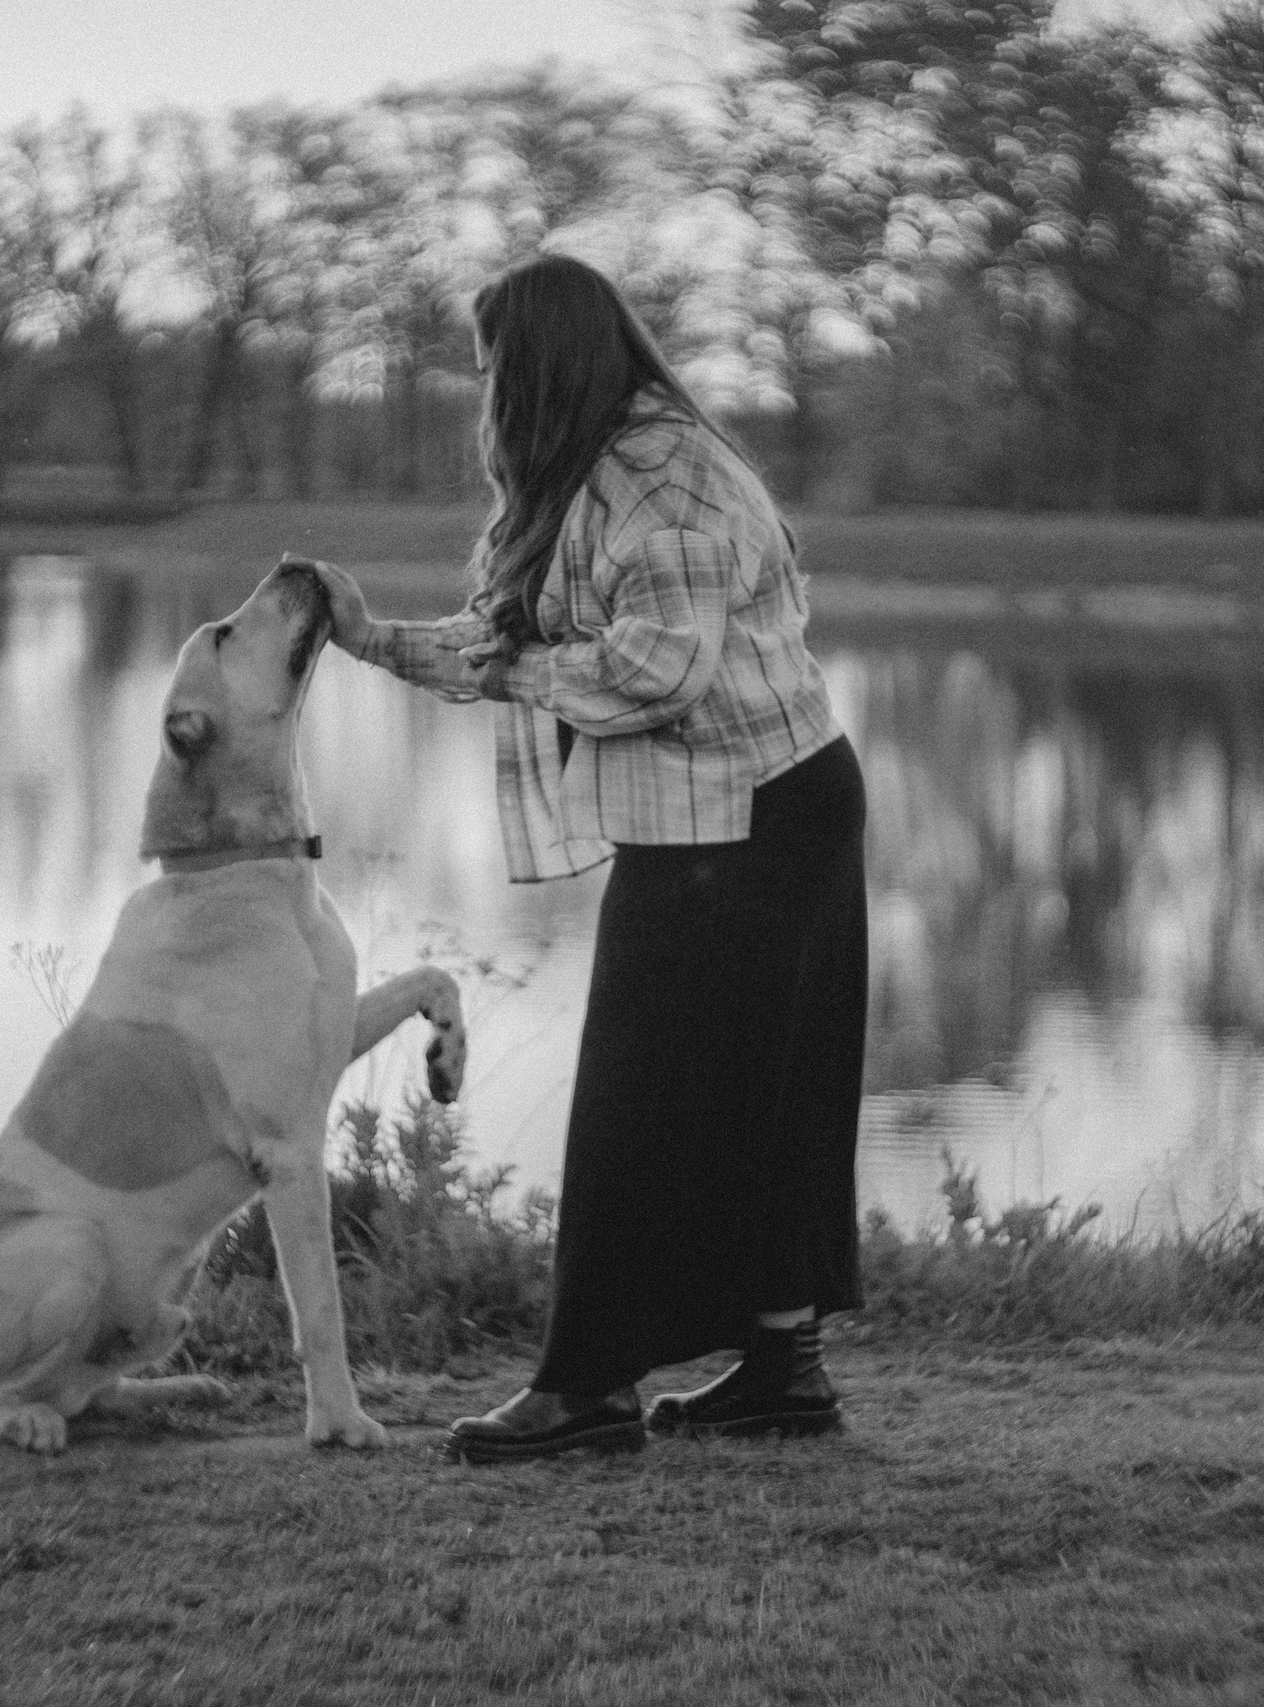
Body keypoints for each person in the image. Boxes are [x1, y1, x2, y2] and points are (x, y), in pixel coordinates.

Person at [295, 253, 868, 1464]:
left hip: (763, 818)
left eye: (497, 364)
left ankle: (588, 1389)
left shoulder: (662, 483)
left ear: (543, 368)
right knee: (743, 1096)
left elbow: (659, 670)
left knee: (637, 1098)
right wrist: (374, 644)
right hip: (727, 814)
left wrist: (509, 670)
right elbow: (515, 642)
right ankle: (781, 1375)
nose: (486, 389)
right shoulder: (599, 469)